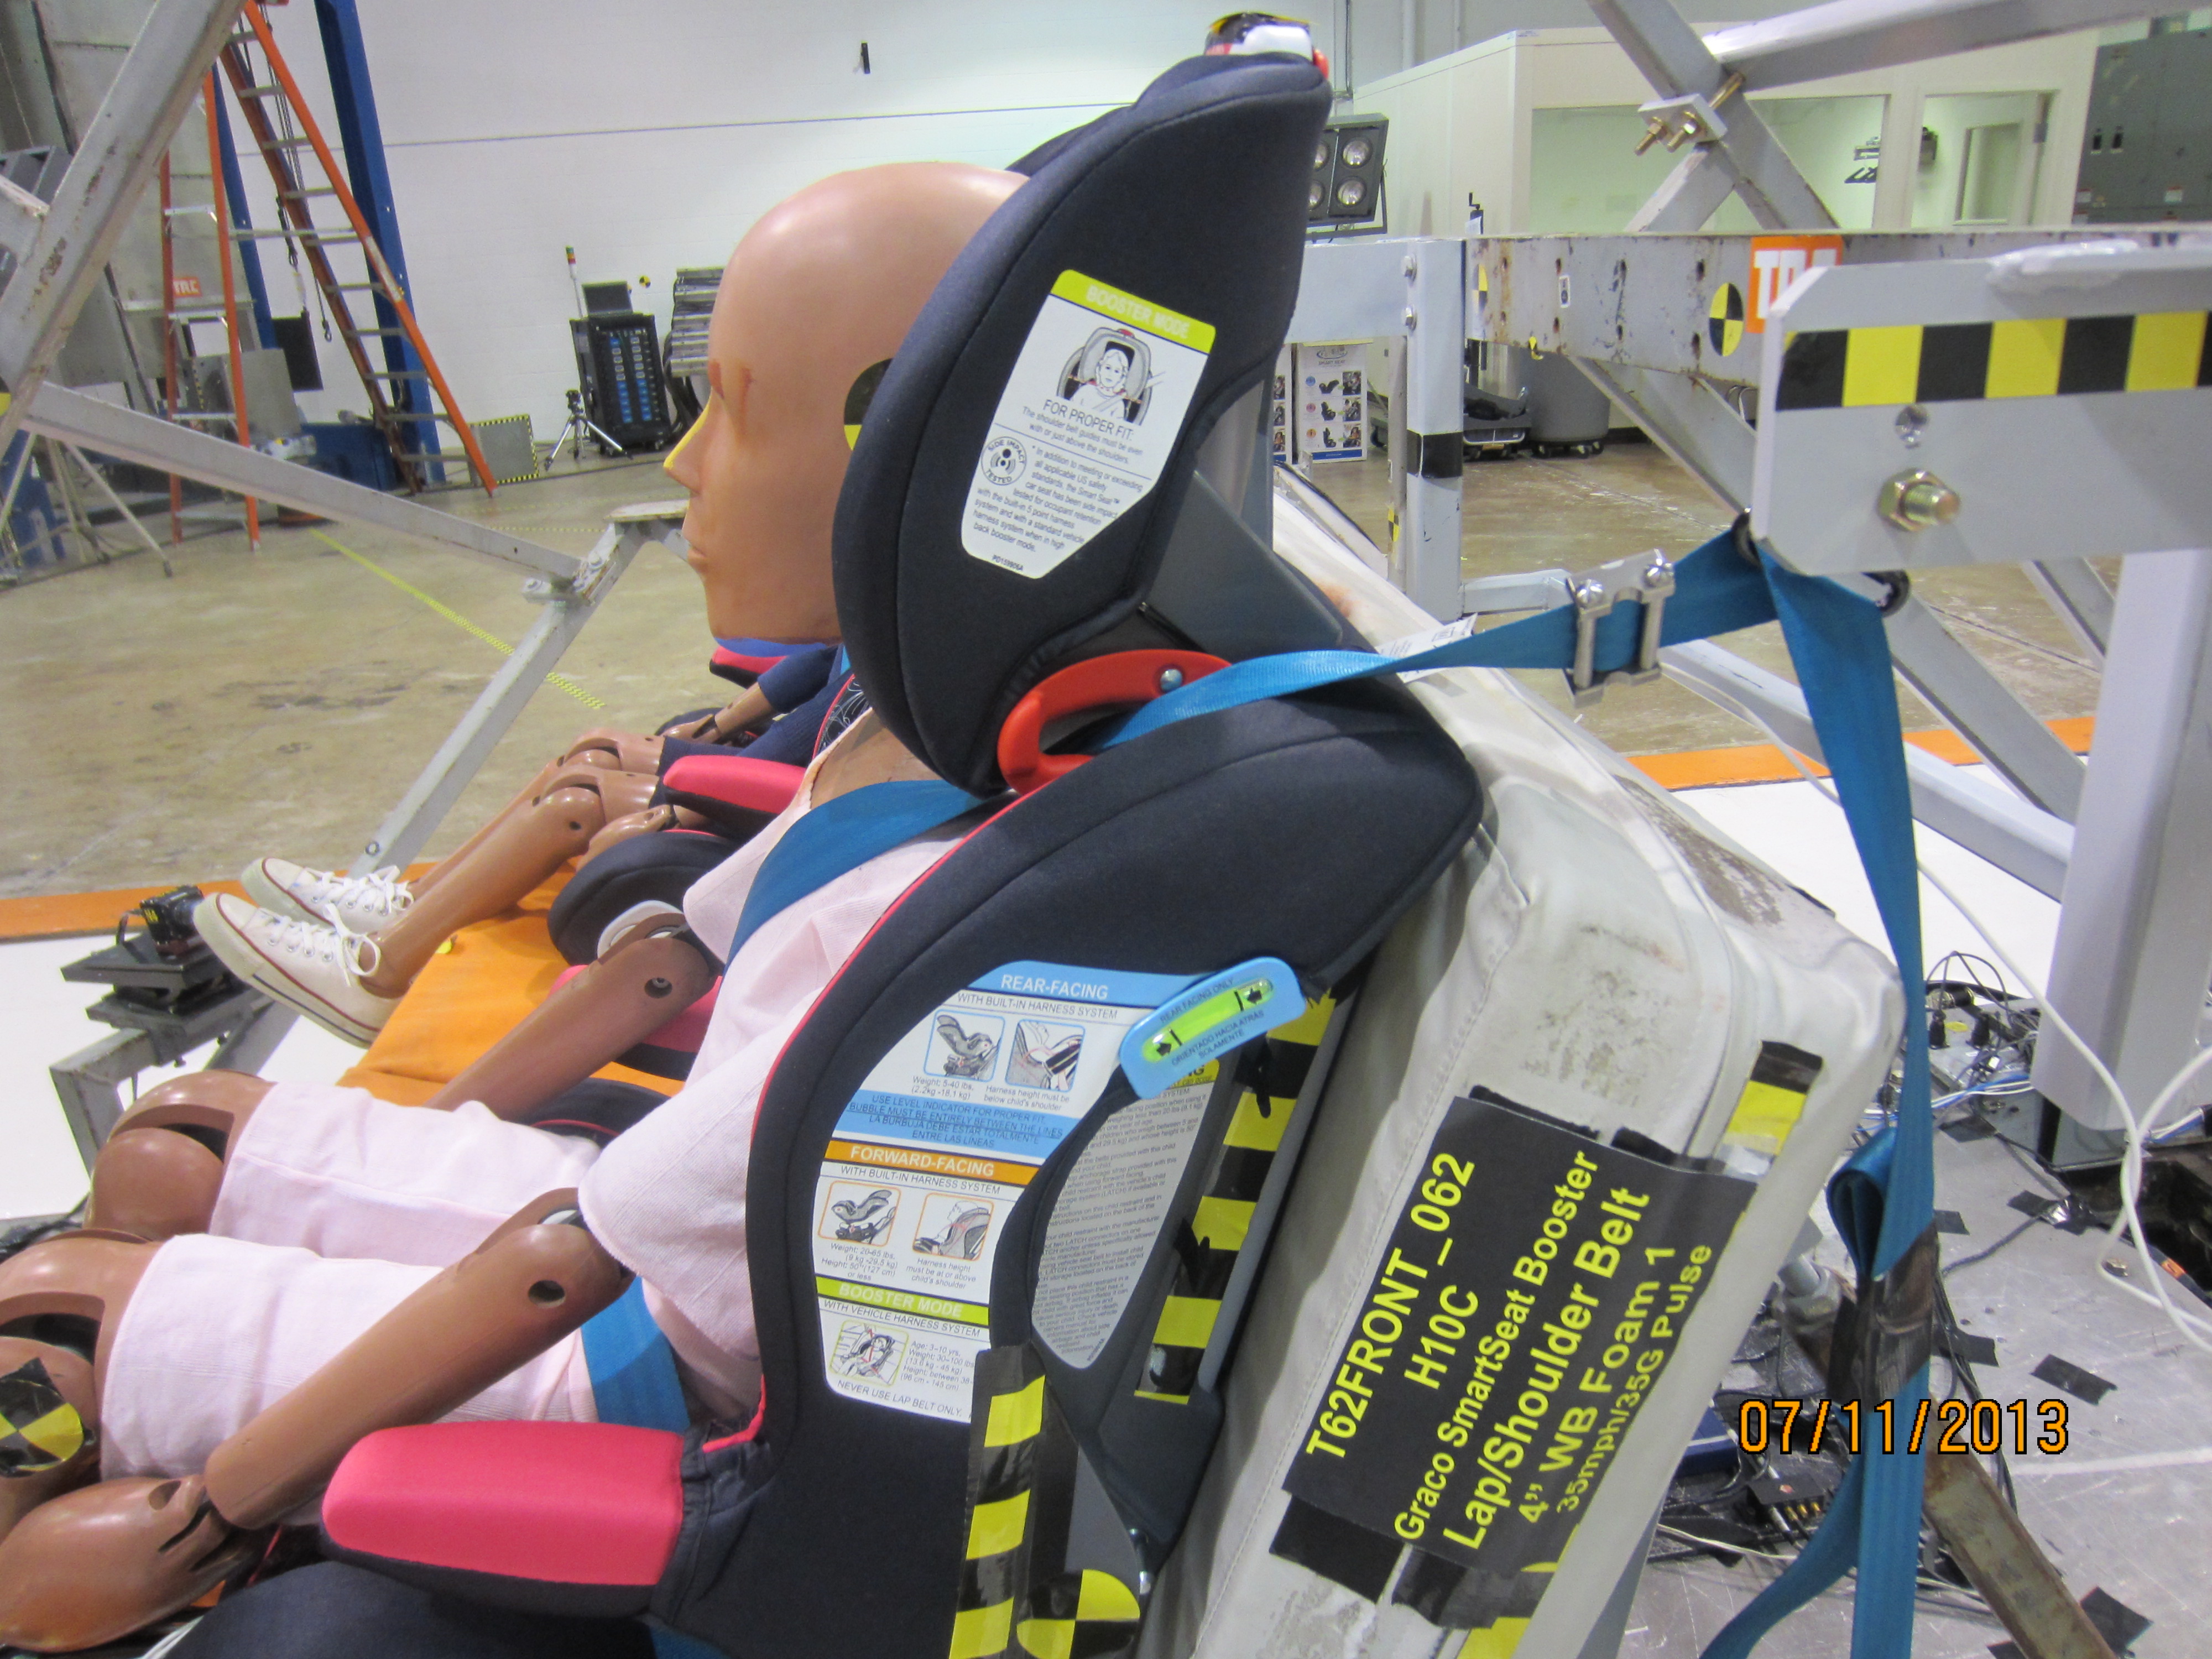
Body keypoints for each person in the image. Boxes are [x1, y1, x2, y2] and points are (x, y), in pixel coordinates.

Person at [0, 158, 1025, 1653]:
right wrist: (415, 1140)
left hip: (653, 1366)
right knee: (178, 1139)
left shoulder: (944, 875)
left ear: (911, 448)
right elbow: (668, 969)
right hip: (649, 1258)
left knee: (48, 1334)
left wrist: (204, 1516)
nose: (682, 463)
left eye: (731, 410)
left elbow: (566, 1259)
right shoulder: (910, 740)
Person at [193, 629, 842, 1045]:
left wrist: (686, 809)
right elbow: (823, 663)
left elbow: (838, 722)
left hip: (796, 794)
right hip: (789, 757)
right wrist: (722, 724)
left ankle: (377, 979)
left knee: (578, 801)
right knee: (593, 747)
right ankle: (412, 908)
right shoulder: (879, 593)